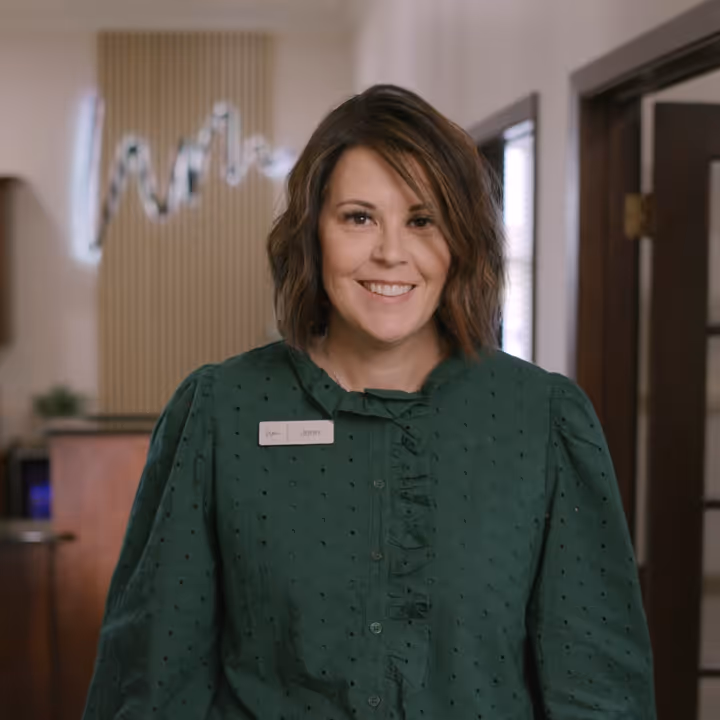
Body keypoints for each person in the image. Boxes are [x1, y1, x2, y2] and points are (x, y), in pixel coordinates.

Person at [82, 84, 656, 719]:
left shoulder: (542, 420)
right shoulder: (221, 411)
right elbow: (151, 683)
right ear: (313, 232)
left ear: (460, 238)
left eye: (422, 219)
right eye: (359, 217)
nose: (391, 252)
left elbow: (600, 694)